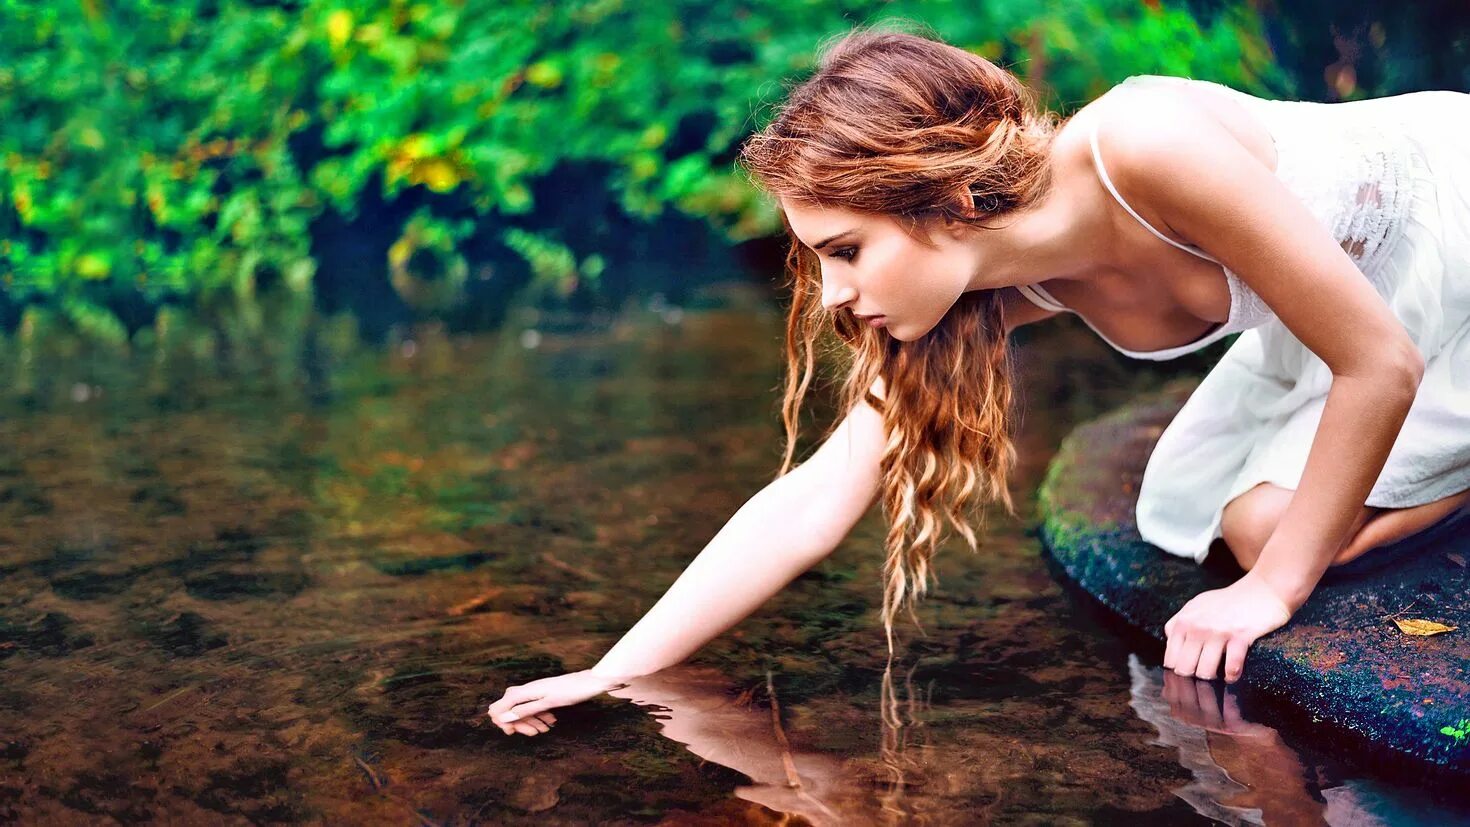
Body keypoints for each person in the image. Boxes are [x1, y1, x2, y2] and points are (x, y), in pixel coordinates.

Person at [489, 25, 1470, 737]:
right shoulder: (983, 289)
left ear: (945, 197)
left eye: (847, 249)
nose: (834, 294)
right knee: (1192, 509)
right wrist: (616, 668)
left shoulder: (1145, 149)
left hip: (1451, 248)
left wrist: (1272, 589)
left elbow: (1377, 360)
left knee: (1266, 540)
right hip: (1352, 314)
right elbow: (814, 500)